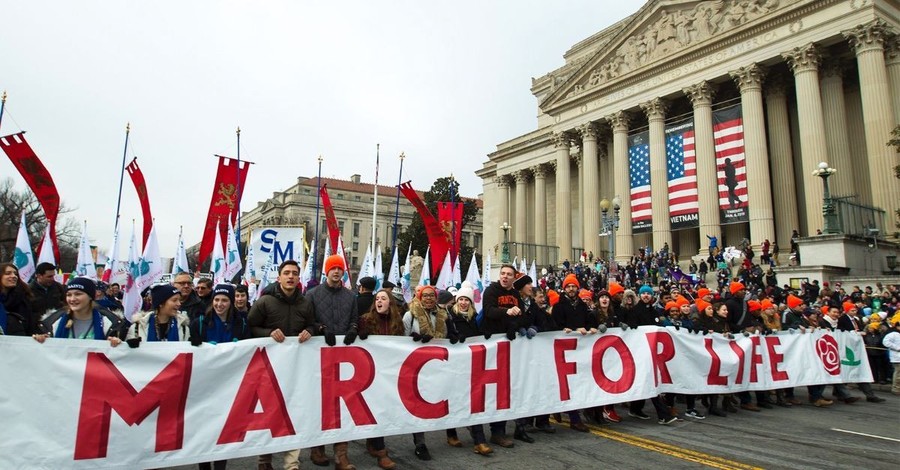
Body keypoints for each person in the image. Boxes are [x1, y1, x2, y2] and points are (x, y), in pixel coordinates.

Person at [248, 260, 316, 470]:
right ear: (279, 277)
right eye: (286, 273)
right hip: (269, 368)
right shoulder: (265, 302)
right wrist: (268, 333)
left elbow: (312, 324)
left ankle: (291, 464)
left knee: (294, 413)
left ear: (298, 278)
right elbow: (250, 327)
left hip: (296, 370)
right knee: (269, 415)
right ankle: (264, 460)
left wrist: (310, 332)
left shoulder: (305, 303)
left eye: (295, 273)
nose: (291, 276)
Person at [306, 254, 359, 469]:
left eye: (339, 268)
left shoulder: (351, 296)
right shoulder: (312, 294)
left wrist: (353, 329)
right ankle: (318, 448)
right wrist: (321, 328)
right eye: (333, 268)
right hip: (319, 355)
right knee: (321, 404)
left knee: (343, 406)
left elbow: (354, 319)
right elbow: (307, 320)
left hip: (344, 357)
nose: (336, 272)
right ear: (326, 271)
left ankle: (341, 455)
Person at [443, 284, 494, 456]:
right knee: (453, 400)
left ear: (471, 303)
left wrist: (485, 334)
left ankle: (479, 440)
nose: (464, 303)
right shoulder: (449, 317)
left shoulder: (473, 318)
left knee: (473, 402)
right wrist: (454, 337)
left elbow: (478, 334)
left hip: (470, 366)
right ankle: (451, 433)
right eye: (461, 299)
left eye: (467, 300)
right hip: (455, 365)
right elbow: (445, 335)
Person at [402, 284, 451, 460]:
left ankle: (452, 434)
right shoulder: (410, 315)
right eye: (426, 296)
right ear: (420, 297)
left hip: (436, 365)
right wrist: (413, 340)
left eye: (432, 295)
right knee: (418, 404)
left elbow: (446, 335)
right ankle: (420, 443)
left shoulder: (443, 315)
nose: (429, 298)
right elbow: (401, 339)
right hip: (416, 366)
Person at [356, 289, 403, 469]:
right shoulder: (366, 320)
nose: (379, 301)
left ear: (390, 303)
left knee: (381, 410)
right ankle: (381, 452)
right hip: (370, 373)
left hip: (389, 373)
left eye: (383, 298)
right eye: (377, 299)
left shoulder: (397, 322)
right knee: (376, 410)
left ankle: (373, 443)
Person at [479, 264, 521, 448]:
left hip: (508, 344)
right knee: (488, 389)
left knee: (505, 389)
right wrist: (507, 311)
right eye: (502, 273)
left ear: (514, 278)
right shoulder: (491, 290)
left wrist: (515, 325)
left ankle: (499, 431)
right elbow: (488, 311)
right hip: (491, 344)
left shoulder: (516, 295)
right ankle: (480, 431)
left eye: (509, 274)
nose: (505, 277)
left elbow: (520, 316)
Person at [32, 277, 122, 344]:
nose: (72, 299)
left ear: (90, 296)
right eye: (69, 295)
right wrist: (41, 341)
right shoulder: (54, 323)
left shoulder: (108, 324)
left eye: (78, 294)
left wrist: (116, 345)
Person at [125, 284, 191, 344]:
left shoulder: (183, 328)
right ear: (161, 303)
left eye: (179, 300)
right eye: (174, 300)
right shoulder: (138, 327)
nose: (179, 304)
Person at [0, 263, 36, 336]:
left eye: (15, 274)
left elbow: (31, 325)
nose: (14, 276)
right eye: (8, 273)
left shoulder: (23, 298)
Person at [882, 313, 900, 396]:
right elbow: (885, 342)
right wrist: (897, 347)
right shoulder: (893, 334)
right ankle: (896, 388)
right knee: (898, 374)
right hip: (897, 356)